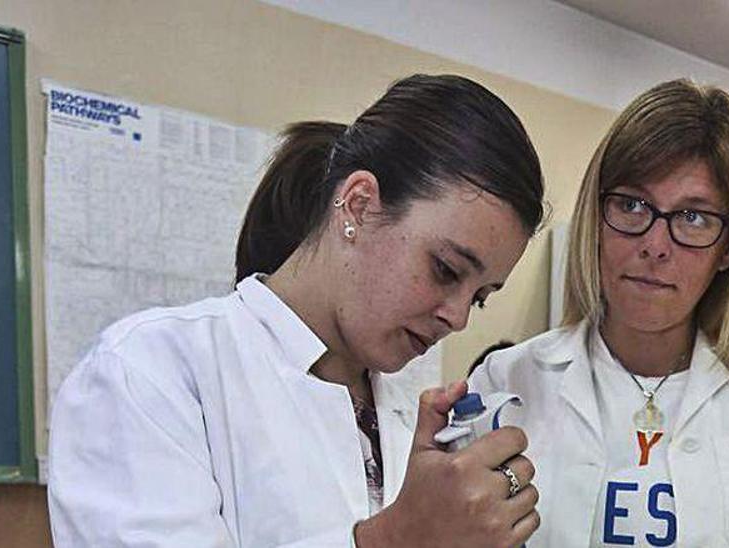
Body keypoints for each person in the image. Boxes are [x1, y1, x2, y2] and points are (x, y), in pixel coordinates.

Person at [49, 74, 544, 547]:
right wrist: (395, 539)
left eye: (480, 296)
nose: (457, 319)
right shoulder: (152, 371)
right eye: (446, 269)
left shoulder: (403, 415)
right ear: (358, 205)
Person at [469, 79, 729, 546]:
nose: (655, 246)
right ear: (595, 219)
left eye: (693, 217)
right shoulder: (506, 382)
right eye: (632, 205)